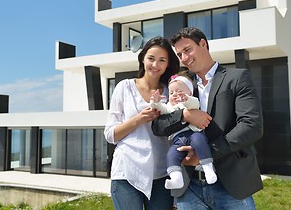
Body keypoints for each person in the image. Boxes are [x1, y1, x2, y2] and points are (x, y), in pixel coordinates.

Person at [152, 27, 263, 210]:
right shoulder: (182, 85)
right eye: (180, 55)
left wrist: (206, 154)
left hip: (231, 184)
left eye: (187, 50)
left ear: (203, 43)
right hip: (190, 187)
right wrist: (185, 115)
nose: (184, 58)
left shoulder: (237, 78)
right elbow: (158, 126)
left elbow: (251, 126)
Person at [104, 36, 180, 210]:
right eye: (151, 58)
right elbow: (110, 134)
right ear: (143, 58)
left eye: (162, 60)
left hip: (161, 174)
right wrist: (139, 119)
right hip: (127, 173)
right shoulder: (125, 87)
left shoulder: (172, 91)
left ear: (168, 64)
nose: (155, 65)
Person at [150, 71, 217, 189]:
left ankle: (208, 168)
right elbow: (161, 109)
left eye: (179, 91)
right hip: (177, 139)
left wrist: (186, 99)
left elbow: (194, 103)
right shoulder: (170, 107)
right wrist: (155, 102)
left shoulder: (191, 103)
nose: (175, 94)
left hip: (193, 133)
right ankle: (176, 178)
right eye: (171, 92)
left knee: (199, 141)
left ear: (190, 92)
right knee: (171, 155)